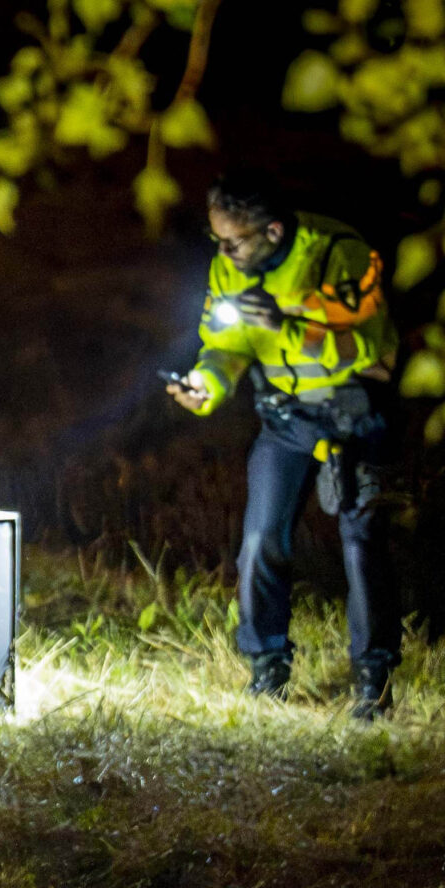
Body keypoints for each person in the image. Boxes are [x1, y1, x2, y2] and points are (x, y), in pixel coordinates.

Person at [167, 169, 401, 719]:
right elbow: (224, 347)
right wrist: (207, 385)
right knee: (260, 539)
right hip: (284, 417)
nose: (224, 251)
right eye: (216, 239)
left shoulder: (338, 252)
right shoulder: (230, 267)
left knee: (361, 543)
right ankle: (266, 669)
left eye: (234, 240)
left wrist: (285, 324)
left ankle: (374, 680)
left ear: (272, 231)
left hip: (353, 413)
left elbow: (361, 347)